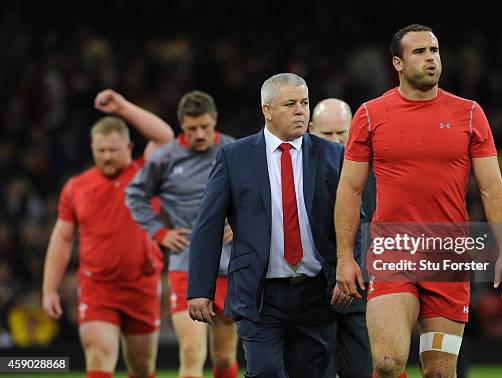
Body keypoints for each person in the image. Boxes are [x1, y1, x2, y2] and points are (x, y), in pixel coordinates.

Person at [334, 24, 502, 378]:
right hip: (393, 251)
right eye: (419, 52)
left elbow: (492, 187)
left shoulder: (469, 113)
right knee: (387, 363)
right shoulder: (371, 114)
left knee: (438, 372)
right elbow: (349, 189)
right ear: (398, 63)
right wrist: (345, 257)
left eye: (434, 50)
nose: (430, 58)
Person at [187, 73, 354, 377]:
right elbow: (208, 226)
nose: (300, 110)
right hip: (259, 292)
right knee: (265, 371)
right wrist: (200, 289)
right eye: (290, 104)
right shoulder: (234, 157)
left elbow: (357, 217)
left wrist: (349, 266)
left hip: (316, 291)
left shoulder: (333, 155)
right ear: (267, 109)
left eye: (304, 102)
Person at [42, 89, 174, 378]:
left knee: (141, 367)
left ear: (129, 147)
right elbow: (62, 238)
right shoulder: (76, 187)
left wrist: (123, 107)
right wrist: (49, 288)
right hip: (97, 287)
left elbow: (165, 138)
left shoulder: (145, 174)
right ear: (92, 148)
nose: (107, 156)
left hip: (142, 286)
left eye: (113, 150)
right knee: (99, 356)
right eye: (100, 150)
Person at [125, 91, 239, 378]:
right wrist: (160, 232)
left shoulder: (235, 151)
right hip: (185, 266)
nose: (199, 134)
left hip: (230, 267)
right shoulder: (165, 158)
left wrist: (242, 225)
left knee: (224, 358)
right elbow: (135, 195)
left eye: (205, 127)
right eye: (191, 129)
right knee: (192, 352)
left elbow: (261, 197)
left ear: (215, 121)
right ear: (181, 126)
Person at [309, 98, 373, 378]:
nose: (335, 141)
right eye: (327, 133)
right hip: (309, 293)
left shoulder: (376, 174)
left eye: (341, 132)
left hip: (361, 291)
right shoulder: (294, 171)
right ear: (311, 130)